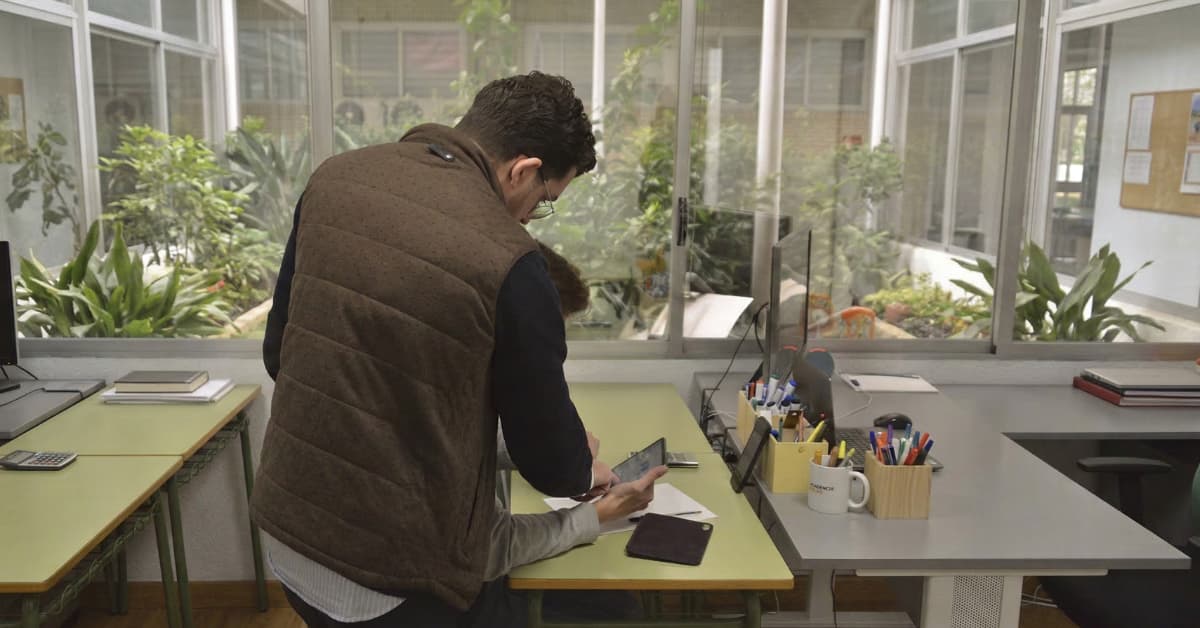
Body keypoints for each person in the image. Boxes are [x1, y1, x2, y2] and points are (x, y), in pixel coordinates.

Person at [253, 72, 640, 627]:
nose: (530, 217)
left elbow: (280, 354)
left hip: (288, 537)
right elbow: (551, 465)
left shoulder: (335, 178)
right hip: (388, 584)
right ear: (523, 170)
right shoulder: (508, 258)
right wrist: (581, 470)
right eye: (544, 201)